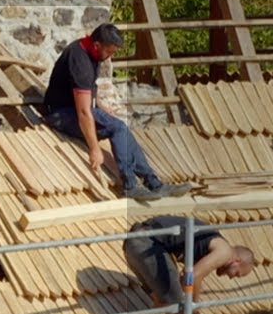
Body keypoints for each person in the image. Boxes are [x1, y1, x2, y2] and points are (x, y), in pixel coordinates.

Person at [42, 23, 191, 201]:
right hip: (60, 114)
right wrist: (94, 149)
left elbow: (88, 88)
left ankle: (154, 183)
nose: (110, 57)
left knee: (121, 128)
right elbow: (83, 112)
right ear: (97, 45)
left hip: (73, 107)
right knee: (117, 127)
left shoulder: (90, 51)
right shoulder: (80, 62)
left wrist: (100, 106)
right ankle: (130, 185)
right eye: (109, 52)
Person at [122, 215, 255, 314]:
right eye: (237, 274)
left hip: (135, 242)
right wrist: (193, 310)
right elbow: (193, 275)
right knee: (177, 306)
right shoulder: (224, 251)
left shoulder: (209, 244)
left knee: (163, 302)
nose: (232, 277)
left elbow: (189, 278)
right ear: (237, 261)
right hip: (147, 243)